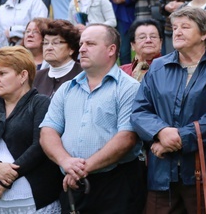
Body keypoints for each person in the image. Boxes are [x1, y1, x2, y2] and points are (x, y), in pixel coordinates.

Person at [131, 7, 206, 212]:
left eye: (185, 27)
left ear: (204, 34)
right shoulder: (158, 66)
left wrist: (177, 139)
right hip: (163, 174)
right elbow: (140, 111)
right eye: (174, 27)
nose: (177, 32)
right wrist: (160, 132)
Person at [40, 24, 143, 213]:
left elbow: (126, 138)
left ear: (111, 49)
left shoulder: (129, 88)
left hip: (115, 184)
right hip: (72, 183)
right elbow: (48, 131)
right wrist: (65, 162)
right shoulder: (67, 88)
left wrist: (82, 168)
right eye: (81, 44)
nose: (82, 49)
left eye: (90, 44)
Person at [0, 46, 62, 213]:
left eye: (2, 74)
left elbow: (40, 146)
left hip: (34, 201)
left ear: (23, 75)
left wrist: (5, 179)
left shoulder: (41, 103)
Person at [32, 20, 82, 98]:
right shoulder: (36, 77)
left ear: (71, 48)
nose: (49, 48)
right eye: (45, 43)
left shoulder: (83, 75)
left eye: (55, 43)